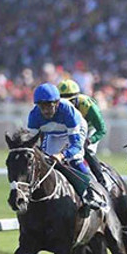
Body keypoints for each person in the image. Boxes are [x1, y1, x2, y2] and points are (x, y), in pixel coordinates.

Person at [26, 83, 103, 217]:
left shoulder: (68, 111)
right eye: (41, 106)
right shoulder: (34, 116)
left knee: (75, 158)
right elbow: (30, 145)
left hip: (74, 129)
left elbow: (76, 146)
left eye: (49, 105)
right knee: (45, 161)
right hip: (53, 133)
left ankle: (91, 192)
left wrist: (62, 155)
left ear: (56, 103)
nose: (45, 111)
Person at [58, 79, 108, 187]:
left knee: (86, 150)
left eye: (70, 101)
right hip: (71, 129)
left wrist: (90, 140)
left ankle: (101, 181)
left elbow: (102, 129)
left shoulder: (88, 106)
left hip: (89, 129)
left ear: (77, 98)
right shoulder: (56, 106)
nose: (67, 105)